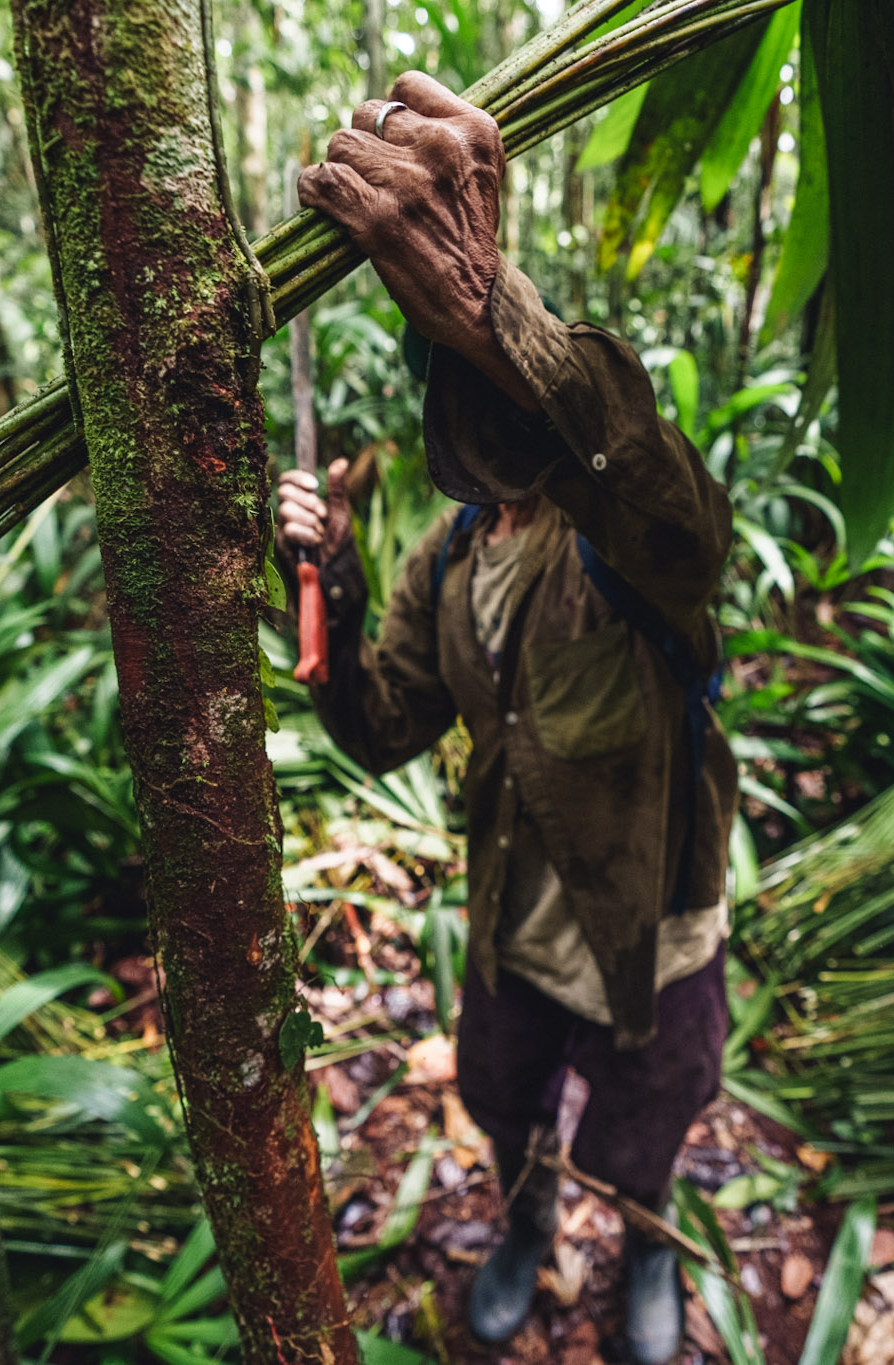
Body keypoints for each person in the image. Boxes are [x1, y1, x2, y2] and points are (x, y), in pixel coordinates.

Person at [281, 70, 739, 1364]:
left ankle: (646, 1238)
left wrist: (501, 314)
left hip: (653, 919)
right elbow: (382, 726)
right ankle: (528, 1223)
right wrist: (330, 582)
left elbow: (680, 528)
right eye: (459, 379)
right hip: (516, 914)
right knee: (501, 1093)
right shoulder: (447, 560)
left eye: (488, 382)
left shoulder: (618, 534)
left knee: (647, 1116)